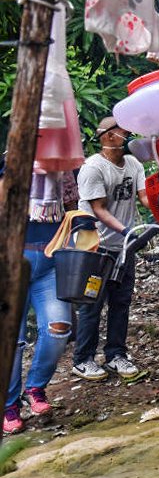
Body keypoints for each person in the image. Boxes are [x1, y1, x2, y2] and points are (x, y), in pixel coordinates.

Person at [71, 117, 148, 382]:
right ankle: (83, 360)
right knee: (92, 304)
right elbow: (99, 209)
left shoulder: (135, 164)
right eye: (124, 132)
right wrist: (127, 231)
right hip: (94, 246)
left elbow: (145, 197)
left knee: (121, 301)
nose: (128, 136)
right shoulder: (93, 168)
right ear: (108, 136)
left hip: (124, 247)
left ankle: (116, 354)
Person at [3, 174, 73, 434]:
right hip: (11, 260)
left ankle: (35, 387)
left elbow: (73, 207)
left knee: (59, 328)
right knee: (12, 340)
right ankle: (9, 406)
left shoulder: (63, 170)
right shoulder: (12, 163)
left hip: (51, 260)